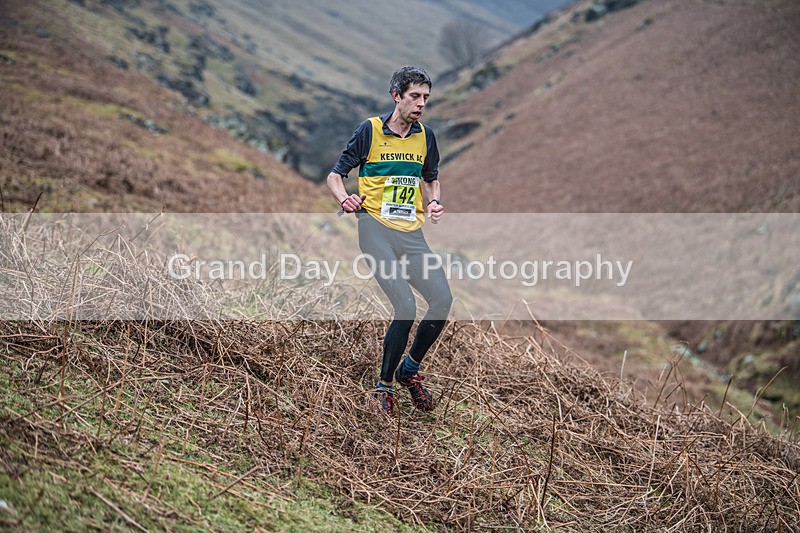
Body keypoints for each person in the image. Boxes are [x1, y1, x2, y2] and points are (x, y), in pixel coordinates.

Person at [326, 65, 453, 417]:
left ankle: (408, 370)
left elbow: (431, 177)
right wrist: (344, 199)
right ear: (396, 96)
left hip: (411, 233)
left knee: (442, 299)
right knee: (406, 307)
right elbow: (336, 175)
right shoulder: (369, 130)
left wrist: (435, 200)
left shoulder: (425, 136)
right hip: (375, 230)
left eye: (426, 98)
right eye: (415, 96)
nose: (421, 104)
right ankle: (382, 388)